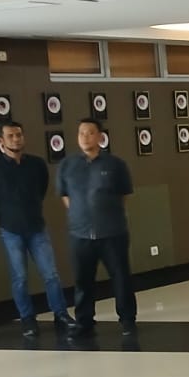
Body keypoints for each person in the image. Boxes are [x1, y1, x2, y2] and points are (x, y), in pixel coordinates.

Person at [0, 120, 77, 340]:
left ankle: (61, 315)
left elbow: (41, 189)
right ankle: (27, 319)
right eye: (11, 136)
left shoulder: (36, 164)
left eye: (19, 135)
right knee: (20, 277)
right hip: (11, 230)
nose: (16, 139)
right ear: (0, 141)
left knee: (51, 274)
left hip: (36, 227)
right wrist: (7, 216)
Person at [59, 118, 137, 340]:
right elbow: (65, 196)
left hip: (112, 233)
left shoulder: (115, 164)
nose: (85, 137)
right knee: (82, 281)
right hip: (80, 234)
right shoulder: (68, 165)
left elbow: (124, 196)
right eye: (81, 133)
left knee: (121, 278)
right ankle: (84, 322)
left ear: (100, 137)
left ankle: (127, 320)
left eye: (90, 132)